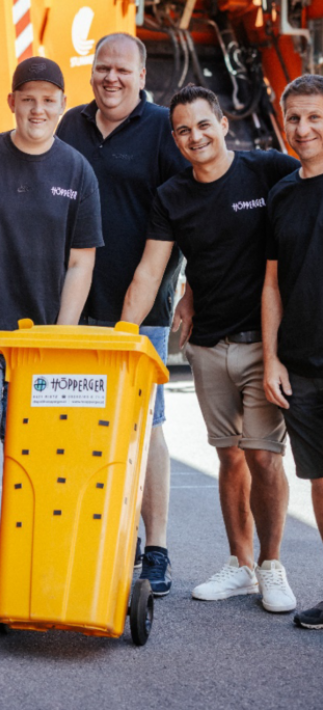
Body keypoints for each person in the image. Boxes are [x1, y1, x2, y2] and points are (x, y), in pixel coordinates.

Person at [122, 84, 299, 613]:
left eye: (203, 124)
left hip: (264, 343)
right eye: (182, 130)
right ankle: (240, 565)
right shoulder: (172, 196)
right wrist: (120, 340)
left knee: (265, 459)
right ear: (174, 138)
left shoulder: (266, 170)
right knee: (229, 458)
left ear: (224, 124)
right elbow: (150, 273)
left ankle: (272, 565)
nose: (194, 136)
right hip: (206, 345)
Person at [0, 56, 103, 595]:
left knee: (41, 449)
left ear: (61, 105)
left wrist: (62, 336)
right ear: (11, 102)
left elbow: (81, 262)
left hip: (42, 345)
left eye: (48, 100)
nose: (38, 108)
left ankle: (35, 546)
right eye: (27, 98)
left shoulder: (76, 170)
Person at [56, 33, 188, 596]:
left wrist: (192, 287)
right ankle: (101, 533)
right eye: (102, 67)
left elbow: (189, 209)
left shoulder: (162, 129)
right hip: (71, 308)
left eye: (122, 70)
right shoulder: (68, 126)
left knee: (147, 425)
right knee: (79, 425)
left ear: (141, 77)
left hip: (144, 311)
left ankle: (154, 548)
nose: (110, 78)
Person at [262, 74, 323, 629]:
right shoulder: (282, 194)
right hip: (302, 365)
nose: (302, 129)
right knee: (321, 480)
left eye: (314, 118)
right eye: (295, 118)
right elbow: (273, 285)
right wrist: (273, 357)